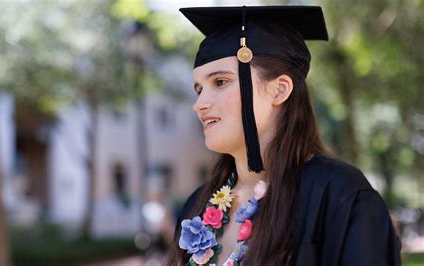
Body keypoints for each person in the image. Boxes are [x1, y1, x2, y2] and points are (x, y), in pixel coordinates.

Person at [166, 5, 402, 266]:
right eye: (199, 89)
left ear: (279, 90)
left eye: (220, 82)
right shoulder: (195, 207)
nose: (199, 104)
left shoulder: (339, 195)